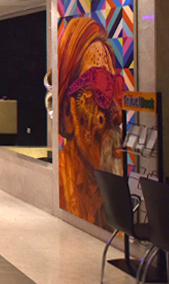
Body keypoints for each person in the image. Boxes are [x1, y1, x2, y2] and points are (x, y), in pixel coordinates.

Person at [58, 17, 125, 226]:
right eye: (100, 88)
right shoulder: (61, 185)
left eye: (115, 87)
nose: (117, 114)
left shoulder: (107, 195)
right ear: (68, 113)